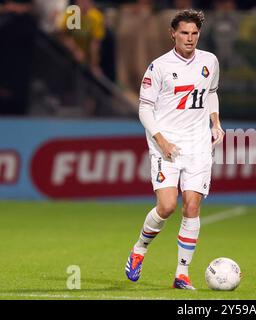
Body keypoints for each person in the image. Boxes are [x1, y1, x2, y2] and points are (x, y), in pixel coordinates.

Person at [125, 9, 224, 290]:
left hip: (198, 144)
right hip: (165, 143)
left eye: (194, 33)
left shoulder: (210, 61)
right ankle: (139, 249)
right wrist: (162, 141)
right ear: (173, 34)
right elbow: (144, 108)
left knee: (192, 206)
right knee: (167, 206)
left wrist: (215, 122)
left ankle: (182, 274)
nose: (190, 39)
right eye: (184, 33)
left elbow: (212, 92)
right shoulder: (159, 67)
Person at [59, 0, 105, 77]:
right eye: (83, 1)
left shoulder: (96, 17)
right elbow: (64, 35)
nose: (85, 4)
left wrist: (94, 65)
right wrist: (75, 50)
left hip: (86, 59)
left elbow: (95, 43)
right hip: (68, 56)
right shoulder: (73, 14)